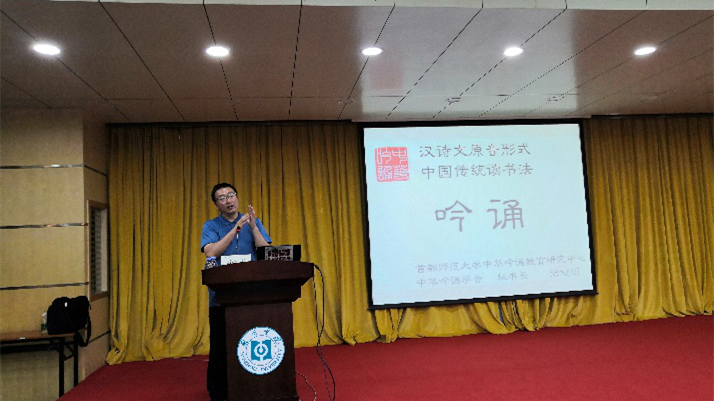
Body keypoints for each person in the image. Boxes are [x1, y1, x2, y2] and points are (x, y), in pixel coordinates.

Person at [200, 183, 271, 401]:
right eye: (222, 198)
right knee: (221, 347)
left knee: (252, 343)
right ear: (216, 204)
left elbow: (266, 252)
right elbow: (211, 252)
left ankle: (254, 387)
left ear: (237, 198)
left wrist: (253, 228)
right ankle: (219, 393)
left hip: (251, 296)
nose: (228, 200)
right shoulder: (211, 226)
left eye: (231, 195)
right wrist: (235, 229)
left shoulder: (253, 221)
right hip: (222, 298)